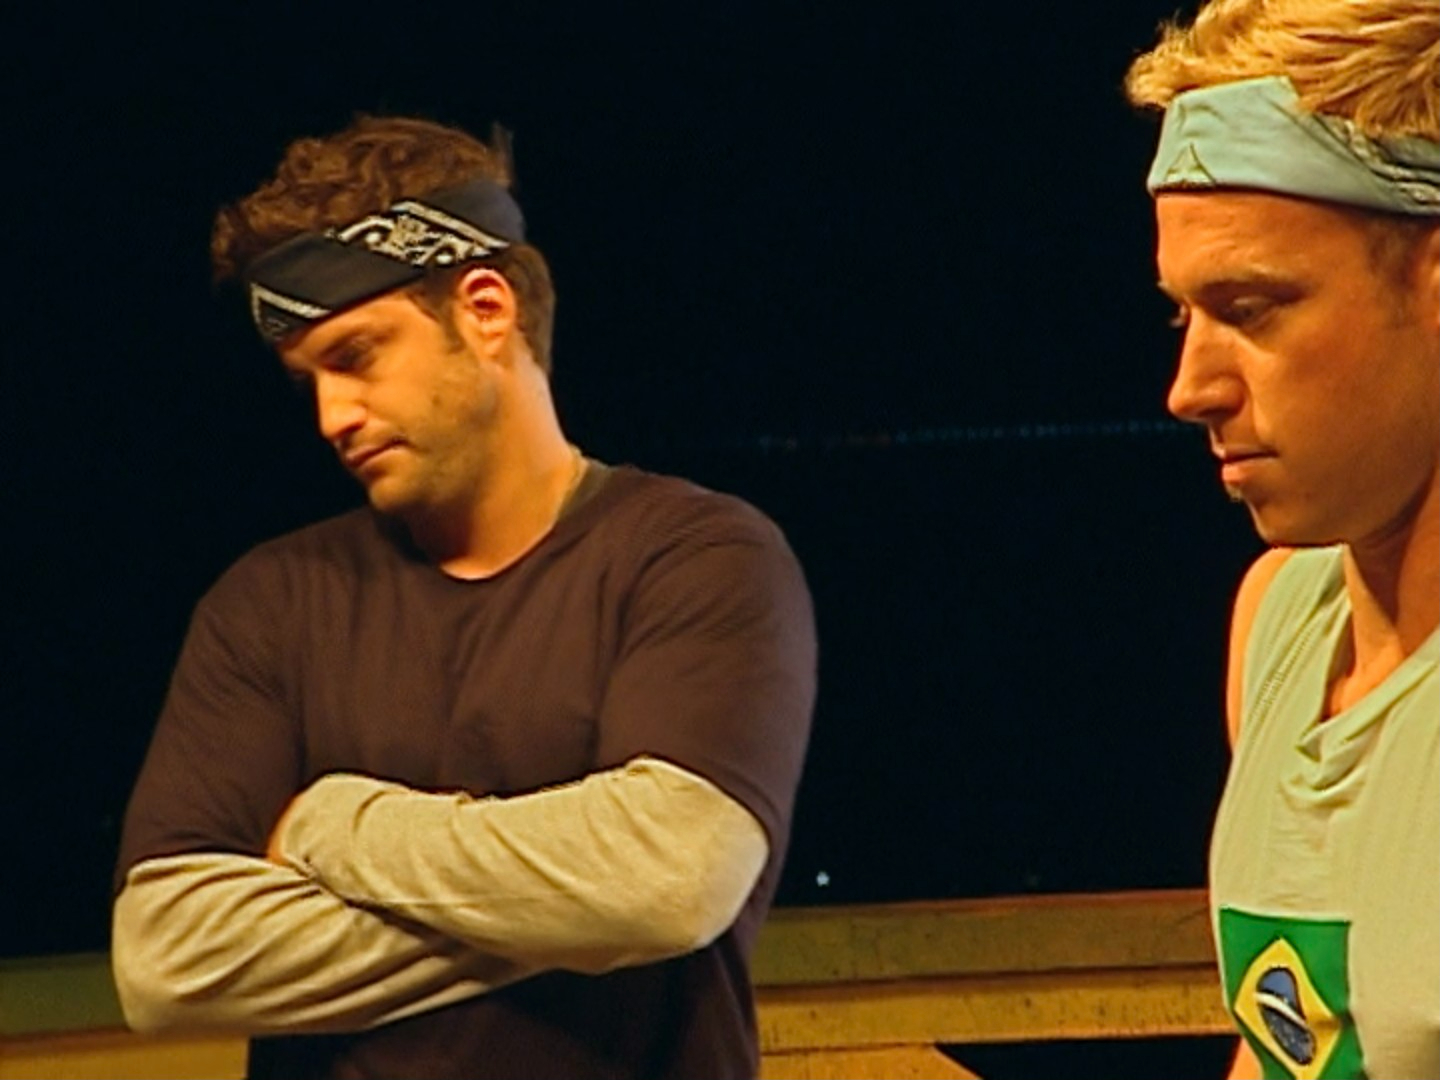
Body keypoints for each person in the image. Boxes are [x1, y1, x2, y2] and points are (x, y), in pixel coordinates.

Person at [111, 116, 817, 1080]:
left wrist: (332, 825)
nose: (330, 416)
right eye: (306, 381)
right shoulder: (269, 604)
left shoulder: (698, 558)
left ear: (486, 309)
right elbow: (168, 963)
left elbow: (671, 879)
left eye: (356, 356)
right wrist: (579, 911)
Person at [1126, 1, 1439, 1076]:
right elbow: (1287, 1045)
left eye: (1252, 308)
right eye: (1183, 316)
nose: (1190, 388)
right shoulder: (1279, 623)